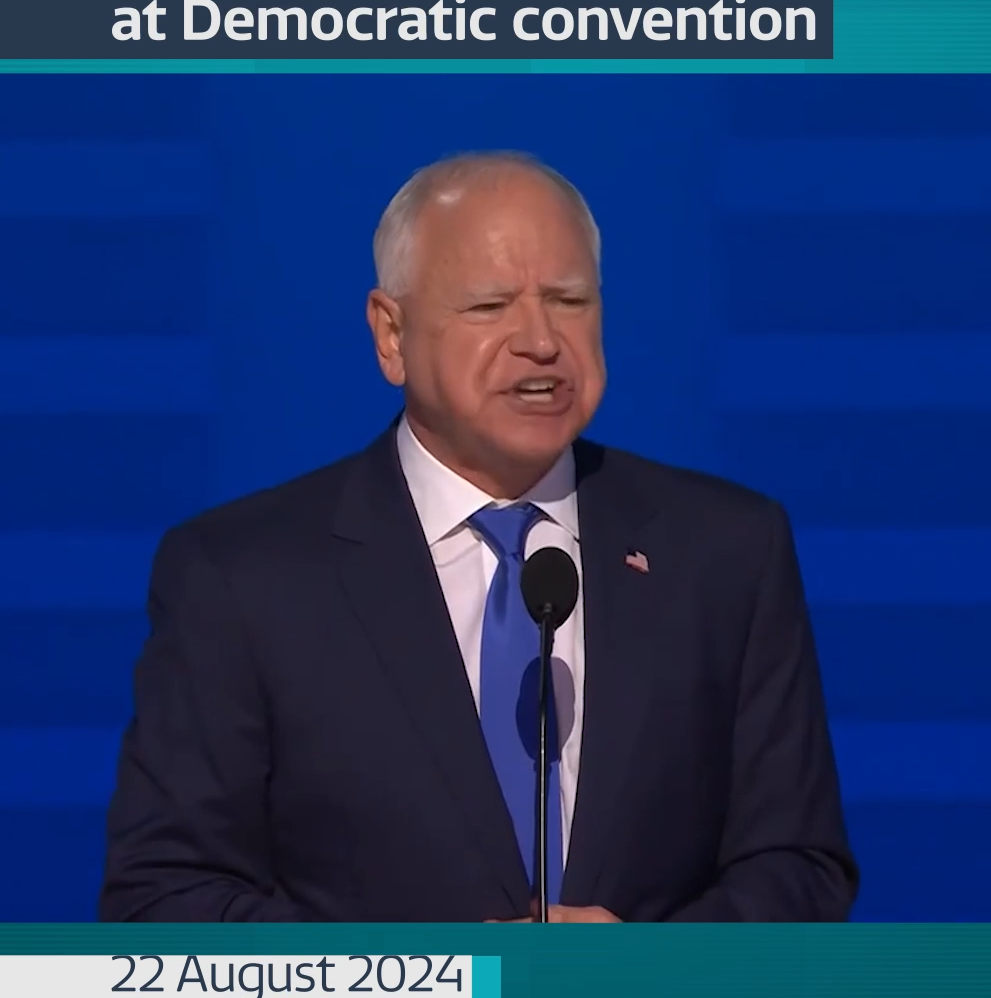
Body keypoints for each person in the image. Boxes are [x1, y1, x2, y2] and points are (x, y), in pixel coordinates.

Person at [100, 151, 857, 922]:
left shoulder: (727, 552)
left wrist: (647, 976)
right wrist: (429, 988)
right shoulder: (241, 577)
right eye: (490, 306)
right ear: (390, 336)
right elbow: (165, 897)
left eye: (569, 300)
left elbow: (800, 867)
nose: (540, 341)